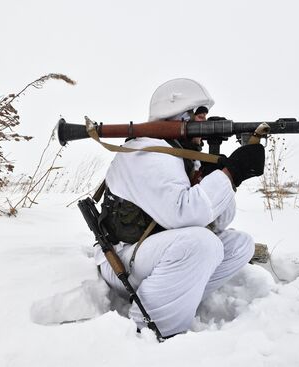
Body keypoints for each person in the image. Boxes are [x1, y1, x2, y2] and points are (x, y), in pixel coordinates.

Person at [95, 78, 265, 337]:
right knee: (200, 245)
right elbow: (184, 215)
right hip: (120, 260)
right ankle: (153, 326)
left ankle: (174, 294)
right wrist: (232, 173)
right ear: (179, 117)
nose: (204, 123)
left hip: (151, 253)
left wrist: (215, 171)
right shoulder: (148, 153)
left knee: (240, 244)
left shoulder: (178, 153)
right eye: (198, 116)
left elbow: (219, 221)